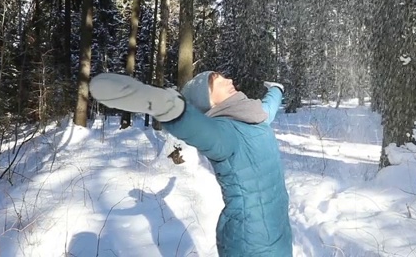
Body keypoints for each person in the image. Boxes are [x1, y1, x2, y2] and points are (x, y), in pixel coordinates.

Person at [89, 71, 292, 257]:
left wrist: (276, 89)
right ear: (207, 102)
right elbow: (199, 130)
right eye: (217, 82)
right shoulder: (224, 132)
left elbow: (269, 106)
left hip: (279, 230)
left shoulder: (254, 116)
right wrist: (170, 108)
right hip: (249, 241)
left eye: (223, 77)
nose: (229, 80)